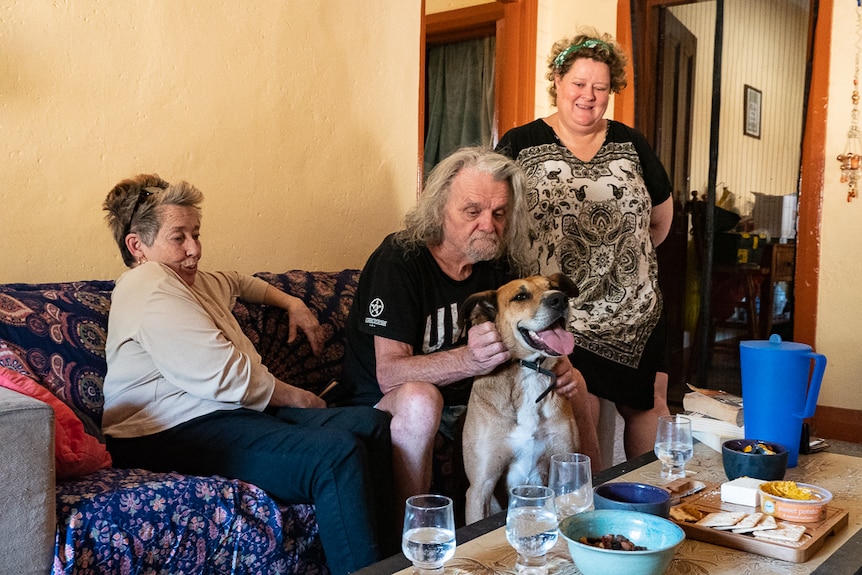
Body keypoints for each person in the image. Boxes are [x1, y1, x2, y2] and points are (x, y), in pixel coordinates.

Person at [101, 174, 394, 575]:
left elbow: (239, 282)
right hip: (164, 432)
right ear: (137, 246)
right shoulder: (146, 282)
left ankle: (397, 563)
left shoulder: (194, 282)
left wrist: (291, 302)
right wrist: (300, 397)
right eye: (179, 237)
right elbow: (226, 376)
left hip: (227, 414)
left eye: (197, 234)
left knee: (373, 423)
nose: (195, 249)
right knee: (335, 456)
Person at [342, 147, 602, 515]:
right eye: (472, 211)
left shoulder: (500, 265)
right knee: (421, 400)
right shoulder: (399, 259)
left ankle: (596, 510)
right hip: (388, 403)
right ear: (438, 209)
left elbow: (524, 342)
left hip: (475, 400)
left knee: (577, 388)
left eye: (499, 213)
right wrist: (468, 359)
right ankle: (413, 536)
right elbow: (390, 374)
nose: (488, 224)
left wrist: (560, 369)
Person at [496, 28, 673, 462]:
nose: (588, 96)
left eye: (600, 87)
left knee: (650, 404)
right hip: (560, 314)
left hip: (634, 311)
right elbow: (498, 215)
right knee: (579, 413)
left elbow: (661, 220)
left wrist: (619, 260)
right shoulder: (520, 143)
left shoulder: (633, 144)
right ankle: (589, 517)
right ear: (557, 81)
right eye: (578, 84)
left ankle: (647, 503)